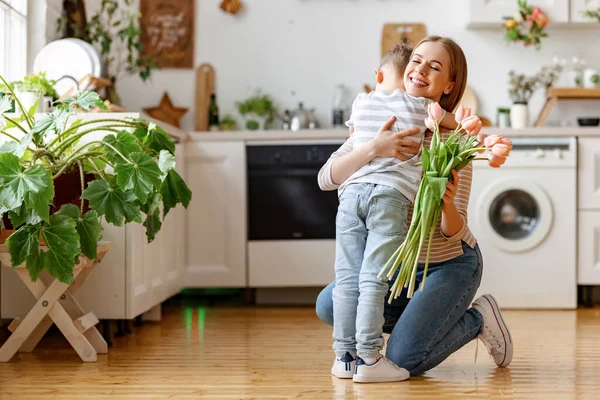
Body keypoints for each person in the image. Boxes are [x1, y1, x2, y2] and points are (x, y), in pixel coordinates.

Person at [316, 36, 513, 379]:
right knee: (330, 304)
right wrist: (374, 148)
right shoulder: (380, 122)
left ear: (449, 85)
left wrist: (447, 203)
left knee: (406, 357)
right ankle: (422, 319)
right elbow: (326, 178)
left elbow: (455, 230)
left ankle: (478, 317)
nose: (420, 70)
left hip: (447, 264)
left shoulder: (455, 142)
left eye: (434, 67)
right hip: (396, 268)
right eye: (416, 61)